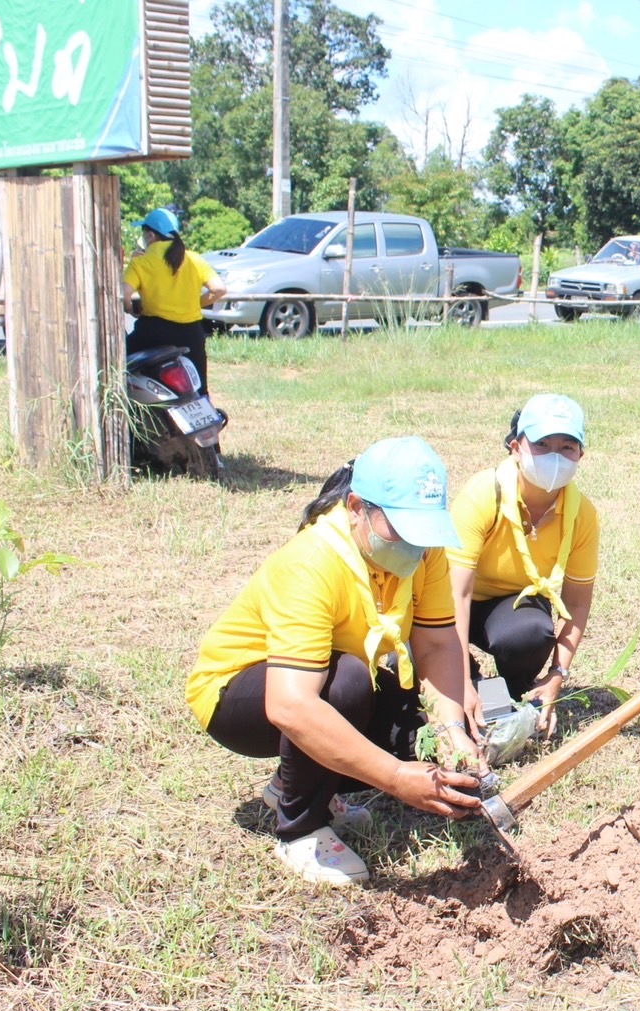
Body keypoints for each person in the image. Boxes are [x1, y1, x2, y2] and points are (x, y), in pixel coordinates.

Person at [185, 436, 483, 886]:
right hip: (237, 695)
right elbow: (291, 706)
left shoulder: (426, 551)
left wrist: (451, 733)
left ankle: (297, 781)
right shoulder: (312, 562)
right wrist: (399, 778)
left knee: (410, 723)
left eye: (423, 532)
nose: (414, 546)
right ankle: (301, 828)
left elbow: (437, 646)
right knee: (347, 682)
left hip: (325, 675)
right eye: (400, 530)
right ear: (357, 507)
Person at [448, 394, 600, 739]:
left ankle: (514, 694)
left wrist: (556, 675)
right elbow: (455, 593)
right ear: (516, 447)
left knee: (531, 632)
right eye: (542, 444)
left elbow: (577, 603)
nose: (555, 456)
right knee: (430, 674)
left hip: (508, 605)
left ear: (581, 455)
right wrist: (459, 680)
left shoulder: (582, 515)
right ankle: (468, 679)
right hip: (449, 604)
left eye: (567, 447)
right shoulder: (484, 494)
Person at [122, 207, 226, 392]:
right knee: (199, 389)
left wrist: (130, 309)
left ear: (151, 236)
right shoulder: (194, 259)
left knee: (121, 365)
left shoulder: (141, 263)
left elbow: (124, 294)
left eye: (144, 233)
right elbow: (219, 289)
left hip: (153, 332)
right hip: (192, 334)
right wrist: (195, 302)